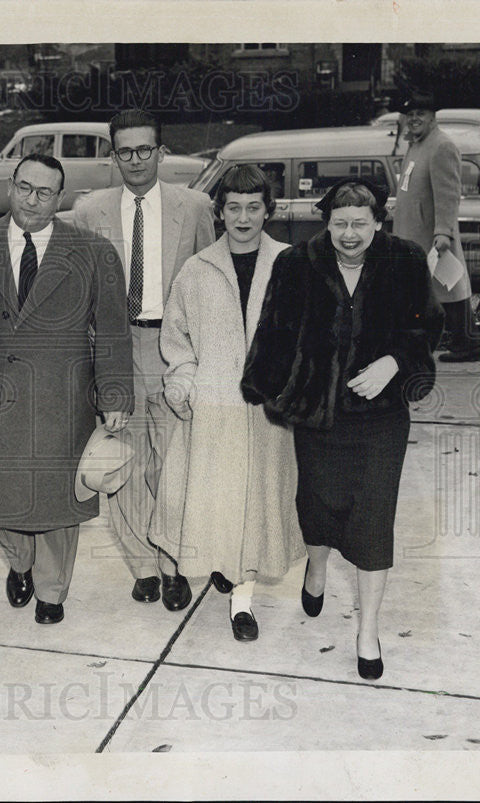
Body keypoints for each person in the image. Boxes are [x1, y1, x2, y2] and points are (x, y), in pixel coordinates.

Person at [242, 178, 443, 680]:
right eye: (339, 224)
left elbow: (428, 326)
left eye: (359, 224)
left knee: (374, 520)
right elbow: (274, 331)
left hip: (380, 418)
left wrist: (396, 362)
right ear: (325, 223)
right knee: (317, 506)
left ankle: (368, 631)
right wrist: (265, 389)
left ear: (378, 223)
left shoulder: (406, 261)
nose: (349, 234)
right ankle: (315, 566)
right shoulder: (296, 264)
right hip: (318, 414)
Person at [0, 153, 134, 625]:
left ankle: (52, 591)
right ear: (11, 187)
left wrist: (113, 397)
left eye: (45, 192)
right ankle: (18, 561)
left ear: (60, 198)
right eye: (25, 188)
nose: (33, 200)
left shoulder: (93, 252)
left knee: (57, 503)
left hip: (61, 398)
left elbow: (112, 330)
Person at [72, 109, 215, 612]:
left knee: (174, 463)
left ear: (161, 152)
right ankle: (143, 566)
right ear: (113, 156)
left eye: (144, 150)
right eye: (124, 151)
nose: (134, 159)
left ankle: (175, 562)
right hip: (115, 349)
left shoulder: (194, 207)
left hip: (173, 348)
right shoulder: (89, 211)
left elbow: (211, 284)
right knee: (122, 460)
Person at [153, 165, 304, 641]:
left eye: (253, 208)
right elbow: (176, 338)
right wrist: (186, 382)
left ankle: (243, 602)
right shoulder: (196, 271)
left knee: (256, 506)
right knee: (211, 503)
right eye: (233, 208)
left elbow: (307, 336)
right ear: (219, 213)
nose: (243, 218)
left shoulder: (290, 264)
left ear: (268, 211)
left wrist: (290, 386)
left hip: (267, 414)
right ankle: (205, 565)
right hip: (213, 409)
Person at [392, 91, 480, 362]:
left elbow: (448, 193)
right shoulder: (417, 144)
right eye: (410, 115)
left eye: (420, 114)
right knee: (437, 289)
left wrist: (443, 231)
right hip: (414, 232)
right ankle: (459, 343)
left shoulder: (441, 145)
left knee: (448, 288)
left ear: (433, 117)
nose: (414, 119)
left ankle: (468, 344)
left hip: (432, 236)